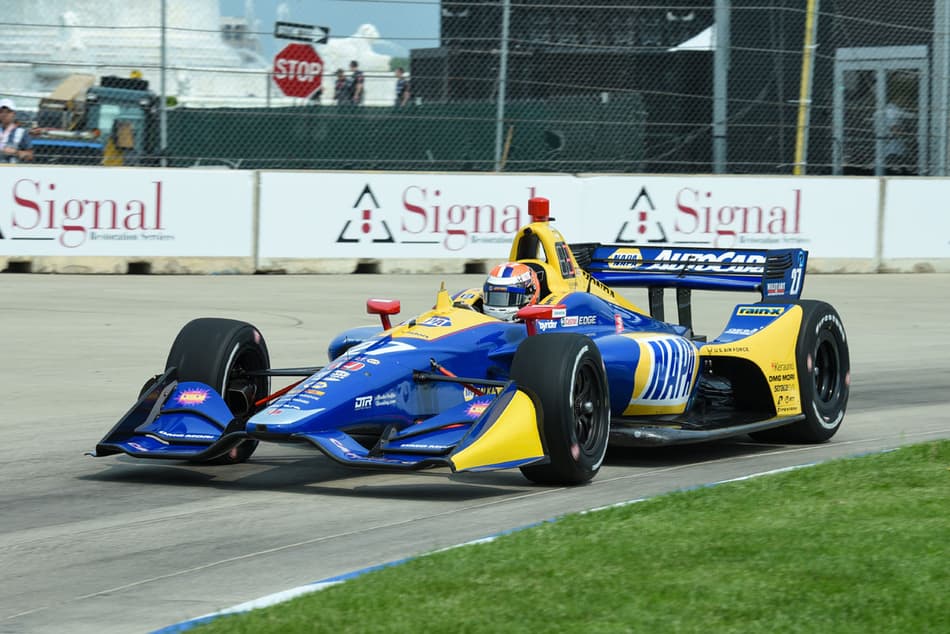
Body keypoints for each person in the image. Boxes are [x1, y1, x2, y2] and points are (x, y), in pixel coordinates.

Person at [0, 98, 33, 164]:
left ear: (14, 114)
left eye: (8, 111)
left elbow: (30, 156)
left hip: (12, 170)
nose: (4, 114)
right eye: (1, 111)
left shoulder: (22, 132)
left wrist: (15, 152)